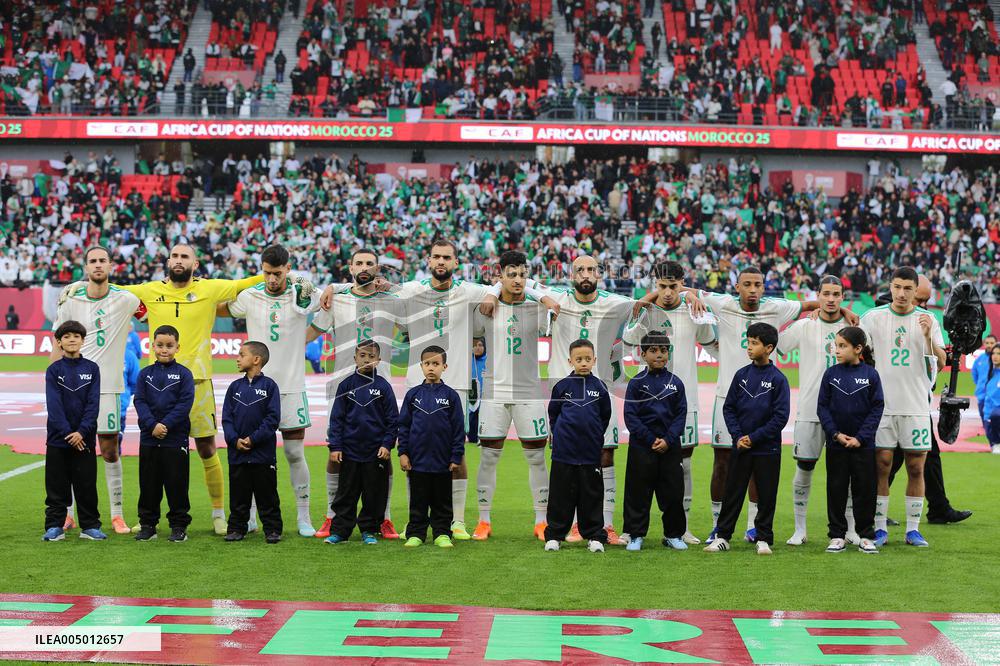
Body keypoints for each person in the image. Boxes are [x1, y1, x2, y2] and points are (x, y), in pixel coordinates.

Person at [317, 240, 557, 541]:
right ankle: (414, 521)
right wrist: (334, 287)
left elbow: (505, 283)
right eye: (437, 257)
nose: (441, 262)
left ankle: (456, 521)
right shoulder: (412, 290)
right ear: (428, 260)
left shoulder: (469, 291)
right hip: (417, 386)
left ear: (455, 262)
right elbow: (368, 284)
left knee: (457, 454)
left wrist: (500, 292)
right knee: (412, 455)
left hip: (455, 385)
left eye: (447, 257)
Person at [58, 244, 292, 535]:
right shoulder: (148, 290)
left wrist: (294, 279)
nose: (179, 261)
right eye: (175, 256)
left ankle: (219, 514)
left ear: (195, 263)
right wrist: (77, 285)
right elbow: (110, 285)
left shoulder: (212, 288)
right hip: (157, 384)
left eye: (185, 257)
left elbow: (253, 280)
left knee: (207, 447)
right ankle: (149, 519)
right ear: (168, 261)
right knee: (154, 450)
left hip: (198, 381)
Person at [688, 266, 842, 543]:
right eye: (747, 284)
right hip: (729, 397)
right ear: (737, 287)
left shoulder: (776, 307)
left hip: (763, 398)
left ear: (763, 286)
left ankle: (753, 526)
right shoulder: (722, 303)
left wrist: (845, 312)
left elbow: (814, 303)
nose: (753, 290)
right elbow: (682, 289)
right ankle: (716, 525)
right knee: (723, 462)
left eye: (758, 285)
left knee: (756, 465)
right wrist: (691, 296)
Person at [220, 245, 319, 537]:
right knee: (249, 452)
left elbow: (325, 308)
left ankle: (303, 517)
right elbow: (220, 306)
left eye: (277, 273)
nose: (272, 279)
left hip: (290, 387)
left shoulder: (303, 293)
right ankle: (249, 518)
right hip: (254, 388)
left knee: (293, 452)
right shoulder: (250, 295)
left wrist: (303, 337)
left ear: (288, 269)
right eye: (266, 273)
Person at [309, 248, 404, 540]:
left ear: (378, 269)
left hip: (381, 386)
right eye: (359, 263)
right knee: (335, 450)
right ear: (350, 268)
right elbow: (312, 332)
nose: (364, 267)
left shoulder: (391, 299)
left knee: (382, 455)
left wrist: (395, 286)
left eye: (370, 264)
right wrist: (332, 287)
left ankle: (384, 518)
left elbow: (417, 311)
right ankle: (331, 515)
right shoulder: (337, 298)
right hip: (342, 386)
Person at [539, 255, 635, 544]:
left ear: (599, 274)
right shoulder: (558, 297)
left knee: (605, 455)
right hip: (565, 390)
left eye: (591, 269)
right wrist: (545, 299)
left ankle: (604, 525)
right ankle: (571, 526)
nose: (585, 274)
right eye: (579, 269)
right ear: (571, 274)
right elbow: (525, 283)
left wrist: (689, 293)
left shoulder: (613, 302)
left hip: (599, 388)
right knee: (565, 466)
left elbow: (643, 304)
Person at [623, 260, 716, 544]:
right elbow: (627, 340)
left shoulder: (694, 309)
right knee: (642, 467)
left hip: (682, 400)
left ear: (681, 283)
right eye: (661, 286)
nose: (666, 292)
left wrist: (692, 295)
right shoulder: (645, 309)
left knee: (683, 464)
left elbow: (712, 344)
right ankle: (633, 530)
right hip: (648, 401)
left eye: (673, 286)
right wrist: (647, 301)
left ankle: (681, 527)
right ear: (654, 285)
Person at [52, 246, 141, 535]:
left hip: (109, 387)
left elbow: (149, 311)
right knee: (69, 448)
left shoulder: (126, 298)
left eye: (103, 260)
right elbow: (57, 343)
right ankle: (67, 514)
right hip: (72, 387)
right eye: (93, 261)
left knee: (109, 449)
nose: (98, 265)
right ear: (86, 266)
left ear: (111, 265)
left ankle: (116, 514)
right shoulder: (69, 299)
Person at [859, 267, 945, 548]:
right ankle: (880, 528)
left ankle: (912, 530)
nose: (901, 293)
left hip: (916, 406)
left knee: (916, 468)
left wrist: (928, 336)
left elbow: (941, 361)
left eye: (907, 288)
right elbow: (856, 348)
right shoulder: (873, 318)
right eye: (897, 287)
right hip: (883, 407)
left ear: (915, 291)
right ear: (890, 286)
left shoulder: (928, 319)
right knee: (881, 466)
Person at [473, 250, 551, 541]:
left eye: (522, 274)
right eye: (511, 274)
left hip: (529, 392)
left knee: (537, 459)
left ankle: (541, 521)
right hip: (494, 392)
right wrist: (493, 292)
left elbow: (556, 295)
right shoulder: (486, 306)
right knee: (488, 457)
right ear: (500, 276)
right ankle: (484, 521)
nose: (518, 280)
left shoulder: (537, 307)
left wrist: (528, 289)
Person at [705, 322, 790, 555]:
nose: (749, 347)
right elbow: (729, 408)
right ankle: (723, 536)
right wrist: (738, 436)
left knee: (766, 493)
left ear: (769, 347)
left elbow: (780, 417)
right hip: (741, 446)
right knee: (733, 492)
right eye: (749, 342)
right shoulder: (741, 375)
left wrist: (754, 437)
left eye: (755, 343)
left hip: (767, 448)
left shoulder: (778, 379)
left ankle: (763, 537)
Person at [776, 275, 848, 546]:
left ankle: (849, 529)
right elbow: (778, 345)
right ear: (817, 295)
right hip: (810, 409)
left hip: (845, 411)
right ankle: (800, 529)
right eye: (826, 293)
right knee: (805, 466)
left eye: (836, 294)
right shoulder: (805, 325)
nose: (831, 299)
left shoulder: (852, 326)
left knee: (845, 472)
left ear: (843, 297)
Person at [816, 326, 884, 554]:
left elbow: (877, 409)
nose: (837, 350)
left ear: (858, 349)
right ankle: (837, 535)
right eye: (836, 345)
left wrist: (861, 438)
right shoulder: (830, 374)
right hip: (836, 444)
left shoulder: (871, 375)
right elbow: (822, 407)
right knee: (835, 488)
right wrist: (834, 434)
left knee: (864, 489)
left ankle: (866, 535)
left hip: (862, 446)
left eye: (842, 346)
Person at [324, 341, 398, 545]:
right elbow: (336, 419)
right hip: (349, 451)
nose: (367, 360)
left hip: (375, 452)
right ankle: (340, 531)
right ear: (355, 358)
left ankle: (369, 530)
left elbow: (393, 420)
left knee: (373, 494)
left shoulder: (383, 386)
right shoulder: (346, 385)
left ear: (378, 360)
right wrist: (336, 446)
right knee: (346, 493)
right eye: (363, 355)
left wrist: (386, 444)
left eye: (371, 356)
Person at [544, 338, 613, 553]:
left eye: (587, 359)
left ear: (594, 360)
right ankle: (555, 535)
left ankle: (594, 536)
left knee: (591, 495)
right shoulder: (562, 386)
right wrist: (560, 436)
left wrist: (592, 436)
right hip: (564, 453)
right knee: (560, 495)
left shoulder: (600, 387)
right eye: (579, 359)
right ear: (570, 361)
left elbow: (604, 416)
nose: (583, 363)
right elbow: (553, 414)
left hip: (590, 452)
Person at [621, 333, 688, 552]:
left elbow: (681, 415)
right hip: (642, 446)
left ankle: (673, 535)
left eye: (663, 351)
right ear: (643, 354)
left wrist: (668, 440)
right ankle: (635, 535)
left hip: (670, 448)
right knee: (637, 492)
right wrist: (650, 439)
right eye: (653, 351)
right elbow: (631, 416)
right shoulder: (636, 383)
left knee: (673, 493)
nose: (659, 355)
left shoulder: (676, 383)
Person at [132, 325, 195, 543]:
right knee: (148, 484)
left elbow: (184, 404)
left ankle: (179, 526)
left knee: (177, 484)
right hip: (149, 439)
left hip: (174, 439)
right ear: (152, 346)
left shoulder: (184, 374)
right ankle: (148, 525)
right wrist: (152, 425)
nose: (164, 350)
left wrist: (165, 425)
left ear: (177, 347)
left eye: (169, 346)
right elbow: (139, 401)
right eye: (160, 345)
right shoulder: (145, 374)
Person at [399, 346, 466, 548]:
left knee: (442, 502)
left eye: (435, 364)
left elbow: (458, 430)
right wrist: (403, 453)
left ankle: (442, 533)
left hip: (442, 462)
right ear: (421, 366)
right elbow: (403, 426)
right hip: (417, 461)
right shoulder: (413, 395)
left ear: (444, 367)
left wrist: (456, 457)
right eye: (427, 364)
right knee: (418, 501)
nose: (431, 368)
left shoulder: (451, 396)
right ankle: (416, 533)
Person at [43, 321, 103, 542]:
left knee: (86, 484)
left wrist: (82, 432)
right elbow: (54, 405)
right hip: (58, 440)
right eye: (66, 336)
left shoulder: (92, 369)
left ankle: (90, 526)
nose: (71, 339)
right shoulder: (54, 370)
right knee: (56, 486)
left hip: (84, 440)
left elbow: (93, 405)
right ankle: (54, 526)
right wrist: (70, 433)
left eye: (76, 336)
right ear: (59, 342)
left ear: (82, 341)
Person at [222, 341, 282, 544]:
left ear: (256, 360)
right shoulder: (234, 387)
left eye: (241, 354)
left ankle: (272, 529)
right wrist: (234, 439)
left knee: (267, 495)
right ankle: (236, 528)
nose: (237, 358)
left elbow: (272, 420)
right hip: (237, 453)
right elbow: (226, 419)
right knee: (238, 496)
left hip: (263, 454)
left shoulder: (270, 386)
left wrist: (253, 439)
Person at [972, 334, 997, 431]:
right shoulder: (980, 359)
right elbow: (975, 374)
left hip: (995, 395)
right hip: (981, 394)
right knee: (985, 422)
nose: (989, 345)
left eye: (992, 343)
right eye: (987, 343)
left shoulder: (997, 359)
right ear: (984, 344)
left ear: (996, 344)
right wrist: (980, 385)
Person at [468, 337, 487, 444]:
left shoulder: (489, 361)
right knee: (471, 429)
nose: (477, 348)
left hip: (485, 399)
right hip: (471, 399)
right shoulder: (466, 361)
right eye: (474, 345)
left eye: (480, 345)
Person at [983, 346, 1000, 454]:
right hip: (988, 415)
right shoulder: (990, 373)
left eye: (998, 354)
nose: (995, 356)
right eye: (994, 353)